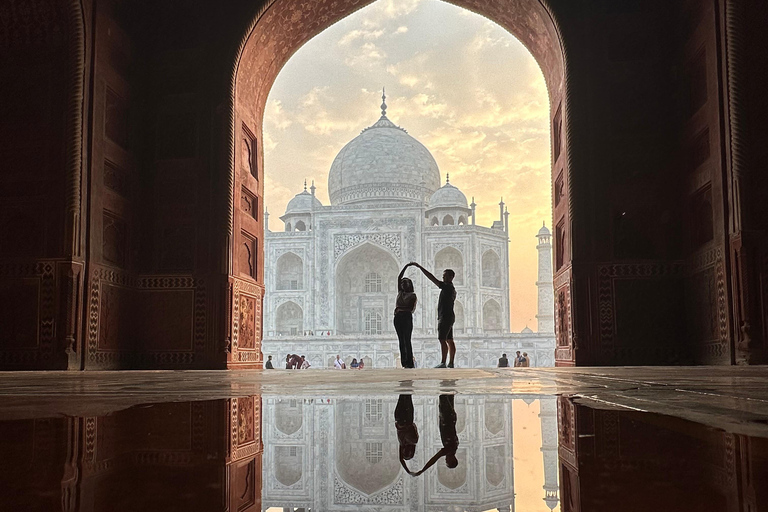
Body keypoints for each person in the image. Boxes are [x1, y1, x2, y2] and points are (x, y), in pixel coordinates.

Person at [411, 262, 456, 368]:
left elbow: (432, 278)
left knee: (442, 339)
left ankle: (443, 362)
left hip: (445, 317)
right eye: (443, 276)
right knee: (449, 340)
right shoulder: (451, 288)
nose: (443, 278)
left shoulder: (447, 287)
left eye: (445, 276)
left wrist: (420, 267)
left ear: (451, 277)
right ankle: (451, 362)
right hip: (449, 316)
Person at [412, 394, 459, 475]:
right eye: (447, 461)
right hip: (446, 418)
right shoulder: (450, 449)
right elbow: (434, 459)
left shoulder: (454, 447)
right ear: (452, 460)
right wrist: (422, 471)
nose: (445, 460)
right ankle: (446, 382)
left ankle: (449, 382)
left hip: (450, 418)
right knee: (444, 396)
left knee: (449, 394)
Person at [394, 263, 418, 368]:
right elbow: (399, 277)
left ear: (409, 284)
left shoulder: (412, 295)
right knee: (401, 340)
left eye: (405, 283)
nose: (403, 284)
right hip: (398, 318)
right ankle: (404, 362)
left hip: (406, 317)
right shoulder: (400, 292)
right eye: (402, 283)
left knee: (407, 340)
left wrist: (399, 308)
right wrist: (406, 266)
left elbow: (411, 309)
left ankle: (410, 362)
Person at [395, 394, 419, 474]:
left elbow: (400, 459)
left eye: (404, 453)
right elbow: (413, 427)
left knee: (403, 395)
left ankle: (405, 383)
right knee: (407, 396)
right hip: (405, 418)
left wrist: (408, 471)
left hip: (401, 418)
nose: (405, 452)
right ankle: (407, 382)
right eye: (407, 453)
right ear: (411, 451)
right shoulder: (413, 440)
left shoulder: (403, 443)